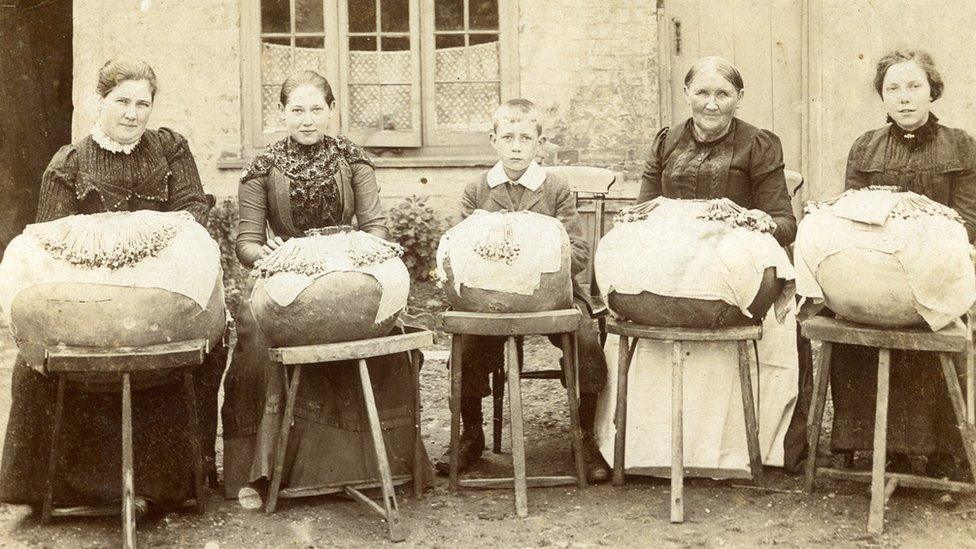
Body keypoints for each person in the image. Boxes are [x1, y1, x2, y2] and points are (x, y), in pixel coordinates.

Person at [0, 58, 226, 510]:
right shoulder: (70, 162)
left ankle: (168, 485)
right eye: (121, 101)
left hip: (156, 297)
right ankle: (76, 484)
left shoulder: (170, 149)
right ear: (98, 101)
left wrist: (146, 246)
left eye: (143, 103)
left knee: (204, 338)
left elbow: (193, 215)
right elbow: (51, 243)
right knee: (51, 356)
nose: (132, 113)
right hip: (94, 297)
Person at [221, 70, 428, 506]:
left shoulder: (354, 160)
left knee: (386, 325)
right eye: (297, 110)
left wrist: (351, 255)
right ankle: (258, 474)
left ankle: (382, 464)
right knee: (257, 337)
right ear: (281, 113)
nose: (307, 119)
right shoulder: (262, 168)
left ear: (332, 111)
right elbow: (246, 242)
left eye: (317, 109)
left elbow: (375, 227)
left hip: (348, 263)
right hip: (286, 270)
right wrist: (270, 257)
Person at [593, 56, 800, 477]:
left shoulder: (759, 144)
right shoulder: (666, 140)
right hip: (672, 260)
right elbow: (643, 211)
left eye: (722, 94)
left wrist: (758, 222)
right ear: (686, 94)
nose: (711, 104)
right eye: (702, 92)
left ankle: (739, 450)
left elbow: (784, 222)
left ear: (738, 98)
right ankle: (635, 449)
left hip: (729, 266)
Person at [433, 99, 610, 483]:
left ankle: (584, 436)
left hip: (553, 292)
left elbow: (577, 251)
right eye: (508, 137)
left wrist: (535, 269)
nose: (516, 146)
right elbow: (462, 252)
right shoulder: (477, 189)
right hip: (490, 298)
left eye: (525, 138)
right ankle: (471, 435)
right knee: (468, 340)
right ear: (493, 140)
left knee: (584, 336)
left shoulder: (556, 189)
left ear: (539, 144)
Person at [824, 49, 976, 479]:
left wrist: (919, 247)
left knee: (938, 323)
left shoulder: (962, 146)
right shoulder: (865, 147)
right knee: (851, 311)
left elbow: (968, 221)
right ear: (883, 96)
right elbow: (849, 212)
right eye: (893, 88)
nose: (904, 98)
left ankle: (945, 453)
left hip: (938, 271)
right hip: (876, 271)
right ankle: (871, 445)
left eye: (914, 87)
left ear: (932, 91)